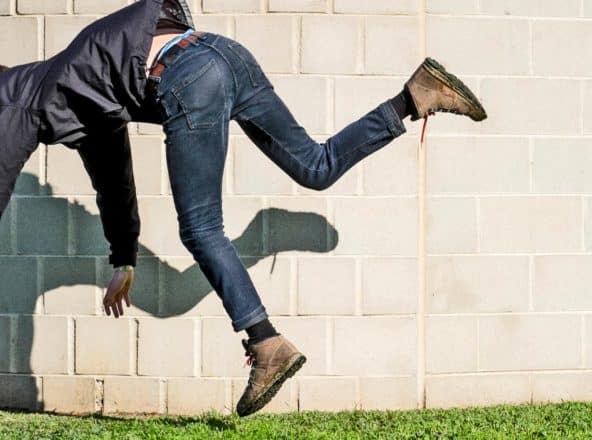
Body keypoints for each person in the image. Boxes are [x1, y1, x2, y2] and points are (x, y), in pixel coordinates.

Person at [0, 0, 486, 417]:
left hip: (186, 76)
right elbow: (113, 178)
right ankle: (414, 95)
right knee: (315, 166)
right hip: (225, 55)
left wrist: (123, 252)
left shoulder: (22, 102)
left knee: (200, 228)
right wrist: (124, 255)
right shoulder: (75, 86)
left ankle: (266, 343)